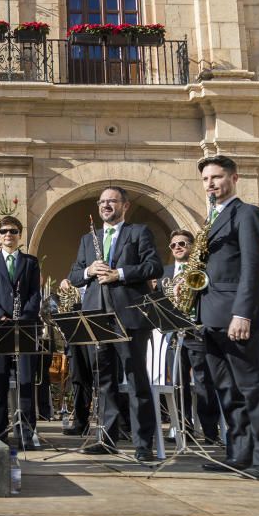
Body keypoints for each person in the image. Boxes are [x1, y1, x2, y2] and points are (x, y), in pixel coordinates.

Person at [196, 155, 259, 479]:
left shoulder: (247, 213)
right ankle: (240, 453)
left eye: (217, 177)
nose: (211, 184)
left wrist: (243, 313)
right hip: (211, 314)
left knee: (252, 388)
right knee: (227, 389)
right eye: (205, 179)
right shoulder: (212, 218)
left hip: (235, 314)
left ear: (234, 178)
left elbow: (252, 267)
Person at [65, 186, 162, 462]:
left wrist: (118, 273)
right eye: (102, 202)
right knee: (103, 381)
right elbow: (74, 275)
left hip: (129, 315)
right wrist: (89, 271)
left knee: (135, 380)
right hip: (97, 314)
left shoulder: (138, 232)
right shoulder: (89, 238)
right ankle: (107, 439)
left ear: (125, 206)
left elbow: (153, 266)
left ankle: (144, 444)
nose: (106, 206)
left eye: (112, 201)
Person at [0, 215, 41, 450]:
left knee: (25, 379)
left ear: (19, 235)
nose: (8, 235)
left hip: (24, 327)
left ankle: (26, 433)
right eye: (4, 231)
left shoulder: (31, 262)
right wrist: (1, 317)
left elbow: (35, 294)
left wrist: (23, 319)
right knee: (0, 379)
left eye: (13, 231)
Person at [163, 229, 221, 444]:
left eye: (183, 244)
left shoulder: (201, 269)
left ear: (192, 247)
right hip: (173, 334)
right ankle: (181, 428)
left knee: (204, 382)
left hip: (195, 329)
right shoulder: (165, 272)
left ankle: (210, 432)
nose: (177, 247)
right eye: (174, 245)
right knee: (178, 383)